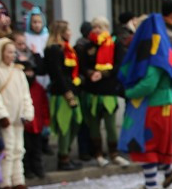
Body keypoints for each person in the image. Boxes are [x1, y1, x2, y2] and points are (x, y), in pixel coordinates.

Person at [117, 14, 172, 189]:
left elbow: (149, 84)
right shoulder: (164, 48)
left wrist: (128, 93)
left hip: (153, 105)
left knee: (146, 143)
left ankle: (151, 185)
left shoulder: (154, 53)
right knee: (158, 143)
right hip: (165, 103)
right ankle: (169, 170)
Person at [0, 38, 34, 189]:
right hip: (5, 120)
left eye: (14, 52)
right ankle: (4, 182)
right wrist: (1, 114)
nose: (12, 55)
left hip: (18, 118)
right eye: (9, 52)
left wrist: (27, 112)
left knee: (19, 149)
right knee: (7, 150)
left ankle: (18, 180)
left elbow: (25, 94)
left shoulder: (18, 71)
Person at [78, 18, 127, 167]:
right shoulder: (88, 46)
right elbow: (82, 65)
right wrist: (90, 73)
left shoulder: (115, 44)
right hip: (92, 91)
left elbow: (119, 65)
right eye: (94, 27)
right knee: (94, 125)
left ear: (106, 27)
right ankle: (98, 154)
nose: (96, 30)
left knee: (111, 125)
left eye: (100, 27)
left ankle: (114, 153)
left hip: (108, 91)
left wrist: (104, 74)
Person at [43, 21, 83, 171]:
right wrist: (67, 92)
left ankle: (65, 153)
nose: (70, 32)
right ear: (61, 32)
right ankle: (63, 158)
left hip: (71, 89)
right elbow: (57, 74)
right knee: (65, 125)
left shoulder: (67, 48)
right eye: (68, 30)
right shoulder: (53, 49)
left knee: (76, 121)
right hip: (62, 93)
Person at [14, 36, 49, 180]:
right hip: (25, 124)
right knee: (26, 149)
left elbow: (44, 105)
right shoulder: (19, 87)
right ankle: (27, 170)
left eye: (31, 72)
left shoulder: (39, 88)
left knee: (37, 149)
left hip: (37, 124)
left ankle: (38, 169)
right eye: (26, 72)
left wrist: (46, 121)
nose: (29, 74)